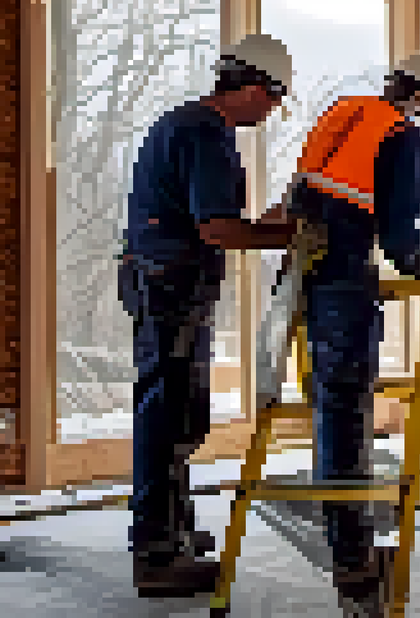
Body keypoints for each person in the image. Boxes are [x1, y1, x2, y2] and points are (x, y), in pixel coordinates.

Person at [122, 33, 299, 597]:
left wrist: (268, 224)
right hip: (172, 283)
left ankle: (171, 530)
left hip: (157, 276)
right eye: (272, 101)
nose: (270, 113)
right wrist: (286, 231)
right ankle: (156, 554)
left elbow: (207, 217)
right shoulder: (207, 134)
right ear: (252, 88)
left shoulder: (182, 123)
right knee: (170, 414)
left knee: (171, 408)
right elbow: (217, 228)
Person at [277, 54, 420, 618]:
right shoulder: (399, 135)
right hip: (345, 272)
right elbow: (399, 232)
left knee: (330, 400)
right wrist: (419, 261)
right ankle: (354, 563)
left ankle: (343, 539)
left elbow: (304, 190)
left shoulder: (344, 113)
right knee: (347, 408)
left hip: (306, 267)